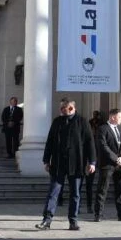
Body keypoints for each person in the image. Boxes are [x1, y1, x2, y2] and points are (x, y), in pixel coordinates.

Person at [36, 99, 95, 231]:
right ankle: (46, 220)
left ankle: (73, 221)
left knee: (75, 194)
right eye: (61, 108)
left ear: (72, 108)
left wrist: (92, 162)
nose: (62, 110)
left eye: (64, 108)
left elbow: (90, 142)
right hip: (58, 163)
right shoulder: (57, 121)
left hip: (77, 164)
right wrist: (46, 160)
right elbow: (50, 141)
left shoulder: (82, 121)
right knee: (53, 193)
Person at [94, 108, 121, 221]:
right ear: (113, 117)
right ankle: (98, 214)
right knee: (102, 189)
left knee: (120, 190)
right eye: (119, 117)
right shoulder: (102, 129)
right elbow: (103, 146)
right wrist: (116, 158)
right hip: (107, 164)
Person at [85, 110, 103, 213]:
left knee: (90, 186)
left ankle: (90, 206)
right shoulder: (85, 138)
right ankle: (84, 206)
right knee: (85, 185)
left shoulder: (97, 140)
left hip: (93, 163)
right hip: (85, 163)